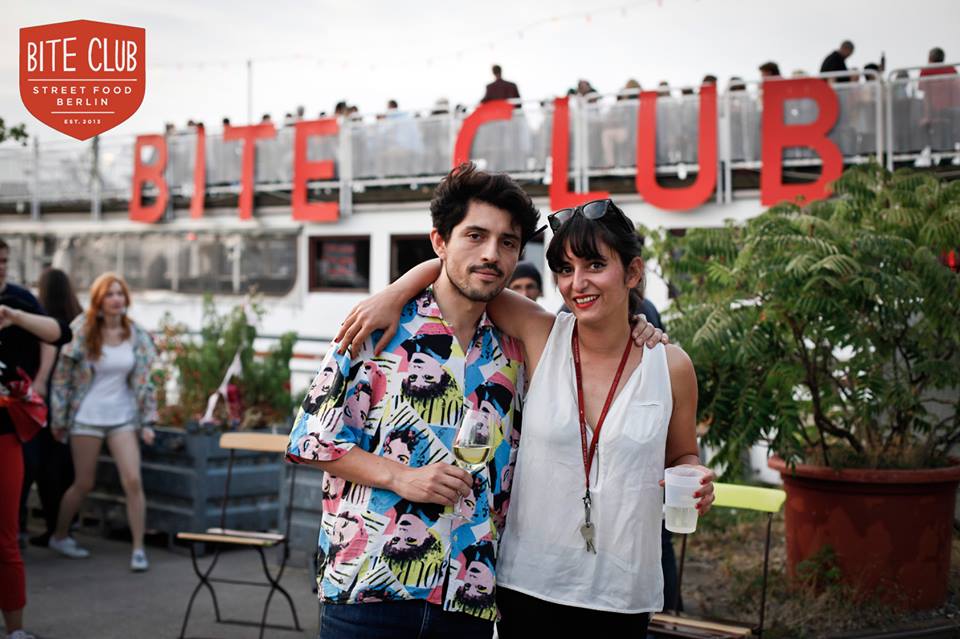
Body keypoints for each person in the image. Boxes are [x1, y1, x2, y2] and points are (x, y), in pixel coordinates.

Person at [290, 164, 666, 638]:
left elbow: (595, 346)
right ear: (440, 241)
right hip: (370, 587)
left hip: (468, 598)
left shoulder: (517, 348)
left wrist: (639, 326)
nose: (491, 254)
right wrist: (401, 476)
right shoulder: (378, 327)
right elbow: (310, 440)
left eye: (507, 242)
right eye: (475, 236)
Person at [48, 273, 158, 572]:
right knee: (83, 483)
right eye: (109, 294)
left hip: (123, 416)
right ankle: (59, 535)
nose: (116, 299)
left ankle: (138, 549)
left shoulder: (136, 334)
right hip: (87, 416)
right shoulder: (83, 330)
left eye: (120, 294)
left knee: (133, 480)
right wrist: (59, 419)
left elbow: (147, 381)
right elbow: (62, 378)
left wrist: (147, 421)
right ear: (99, 300)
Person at [1, 236, 73, 639]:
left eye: (3, 260)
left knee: (6, 536)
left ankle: (15, 630)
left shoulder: (17, 300)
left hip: (6, 429)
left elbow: (60, 334)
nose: (0, 267)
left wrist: (14, 316)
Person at [20, 269, 83, 549]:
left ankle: (28, 525)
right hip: (71, 404)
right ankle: (63, 526)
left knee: (37, 466)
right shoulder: (77, 319)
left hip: (40, 399)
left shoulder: (39, 319)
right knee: (62, 466)